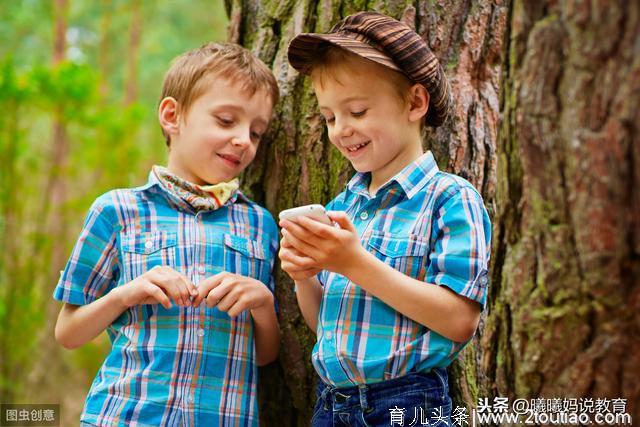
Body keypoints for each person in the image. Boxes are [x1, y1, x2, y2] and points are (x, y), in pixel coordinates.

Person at [280, 12, 491, 426]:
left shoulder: (449, 200)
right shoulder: (346, 205)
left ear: (414, 102)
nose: (341, 130)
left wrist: (353, 263)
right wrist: (305, 275)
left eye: (356, 111)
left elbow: (460, 320)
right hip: (332, 404)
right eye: (329, 117)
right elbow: (326, 323)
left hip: (407, 401)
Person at [53, 42, 280, 426]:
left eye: (256, 132)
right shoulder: (117, 211)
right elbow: (69, 332)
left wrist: (261, 302)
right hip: (125, 416)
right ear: (172, 116)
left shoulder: (260, 224)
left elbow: (264, 355)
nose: (244, 139)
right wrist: (127, 293)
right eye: (226, 120)